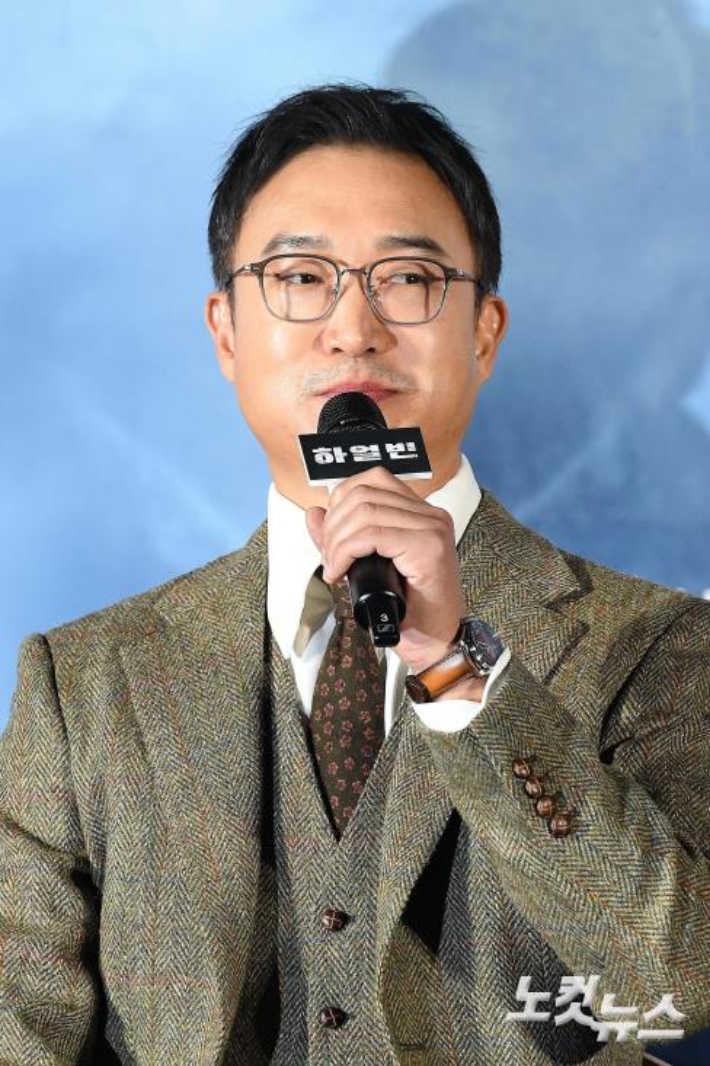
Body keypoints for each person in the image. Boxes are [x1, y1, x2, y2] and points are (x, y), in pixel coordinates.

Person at [0, 83, 707, 1066]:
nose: (352, 329)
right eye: (300, 277)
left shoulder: (658, 639)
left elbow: (675, 984)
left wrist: (454, 666)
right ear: (225, 331)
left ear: (485, 331)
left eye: (407, 279)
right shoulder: (82, 681)